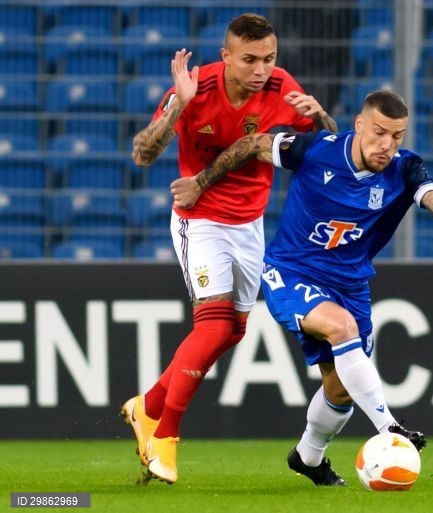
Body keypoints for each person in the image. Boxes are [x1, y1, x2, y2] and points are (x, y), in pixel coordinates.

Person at [170, 90, 433, 486]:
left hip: (350, 284)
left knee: (340, 389)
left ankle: (308, 456)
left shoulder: (404, 169)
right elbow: (251, 143)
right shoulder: (316, 150)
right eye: (379, 133)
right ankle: (389, 427)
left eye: (396, 136)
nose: (387, 145)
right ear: (360, 125)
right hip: (292, 271)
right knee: (342, 327)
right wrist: (200, 182)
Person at [120, 13, 337, 485]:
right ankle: (165, 436)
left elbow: (333, 148)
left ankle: (147, 406)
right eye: (250, 59)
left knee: (233, 331)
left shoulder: (281, 87)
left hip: (249, 224)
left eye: (269, 59)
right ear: (226, 56)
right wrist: (177, 107)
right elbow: (142, 154)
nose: (262, 69)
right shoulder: (195, 88)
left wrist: (319, 115)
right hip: (198, 220)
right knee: (214, 323)